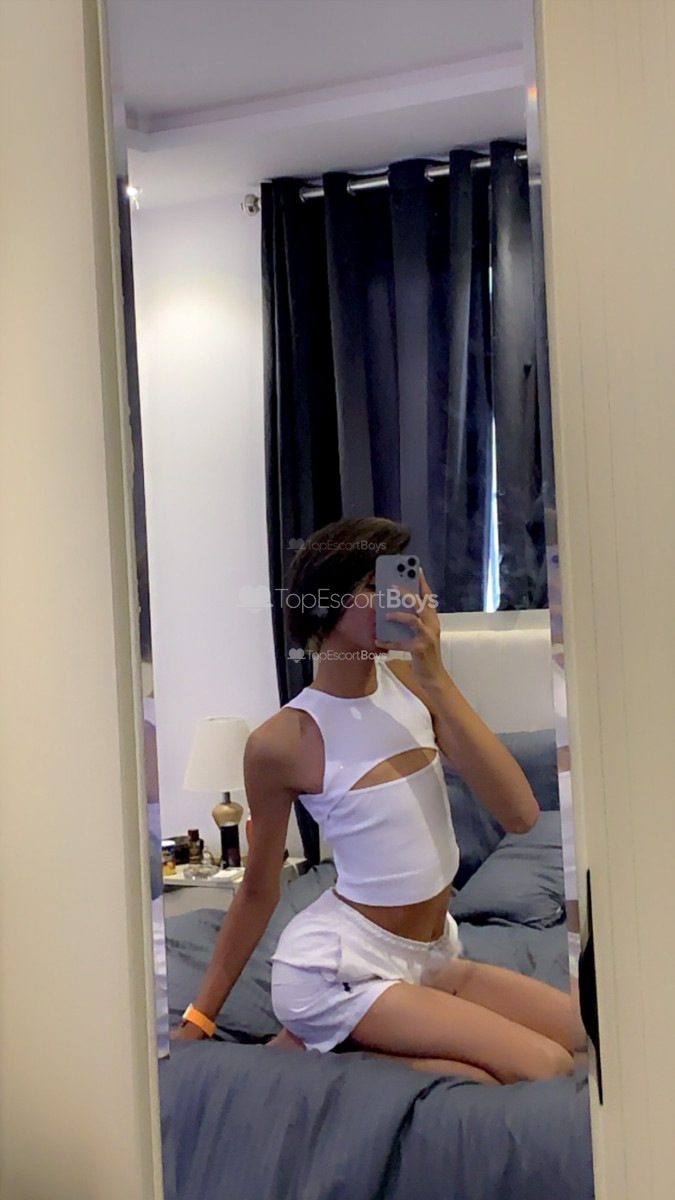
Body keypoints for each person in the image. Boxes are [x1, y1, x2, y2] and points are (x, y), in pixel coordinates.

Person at [174, 516, 585, 1085]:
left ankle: (333, 1044)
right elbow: (259, 889)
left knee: (583, 1032)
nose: (398, 597)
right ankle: (328, 1039)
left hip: (434, 955)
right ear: (326, 601)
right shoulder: (282, 741)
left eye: (399, 578)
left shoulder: (414, 687)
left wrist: (435, 674)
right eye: (372, 586)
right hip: (339, 967)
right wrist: (199, 1017)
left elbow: (520, 813)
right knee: (544, 1066)